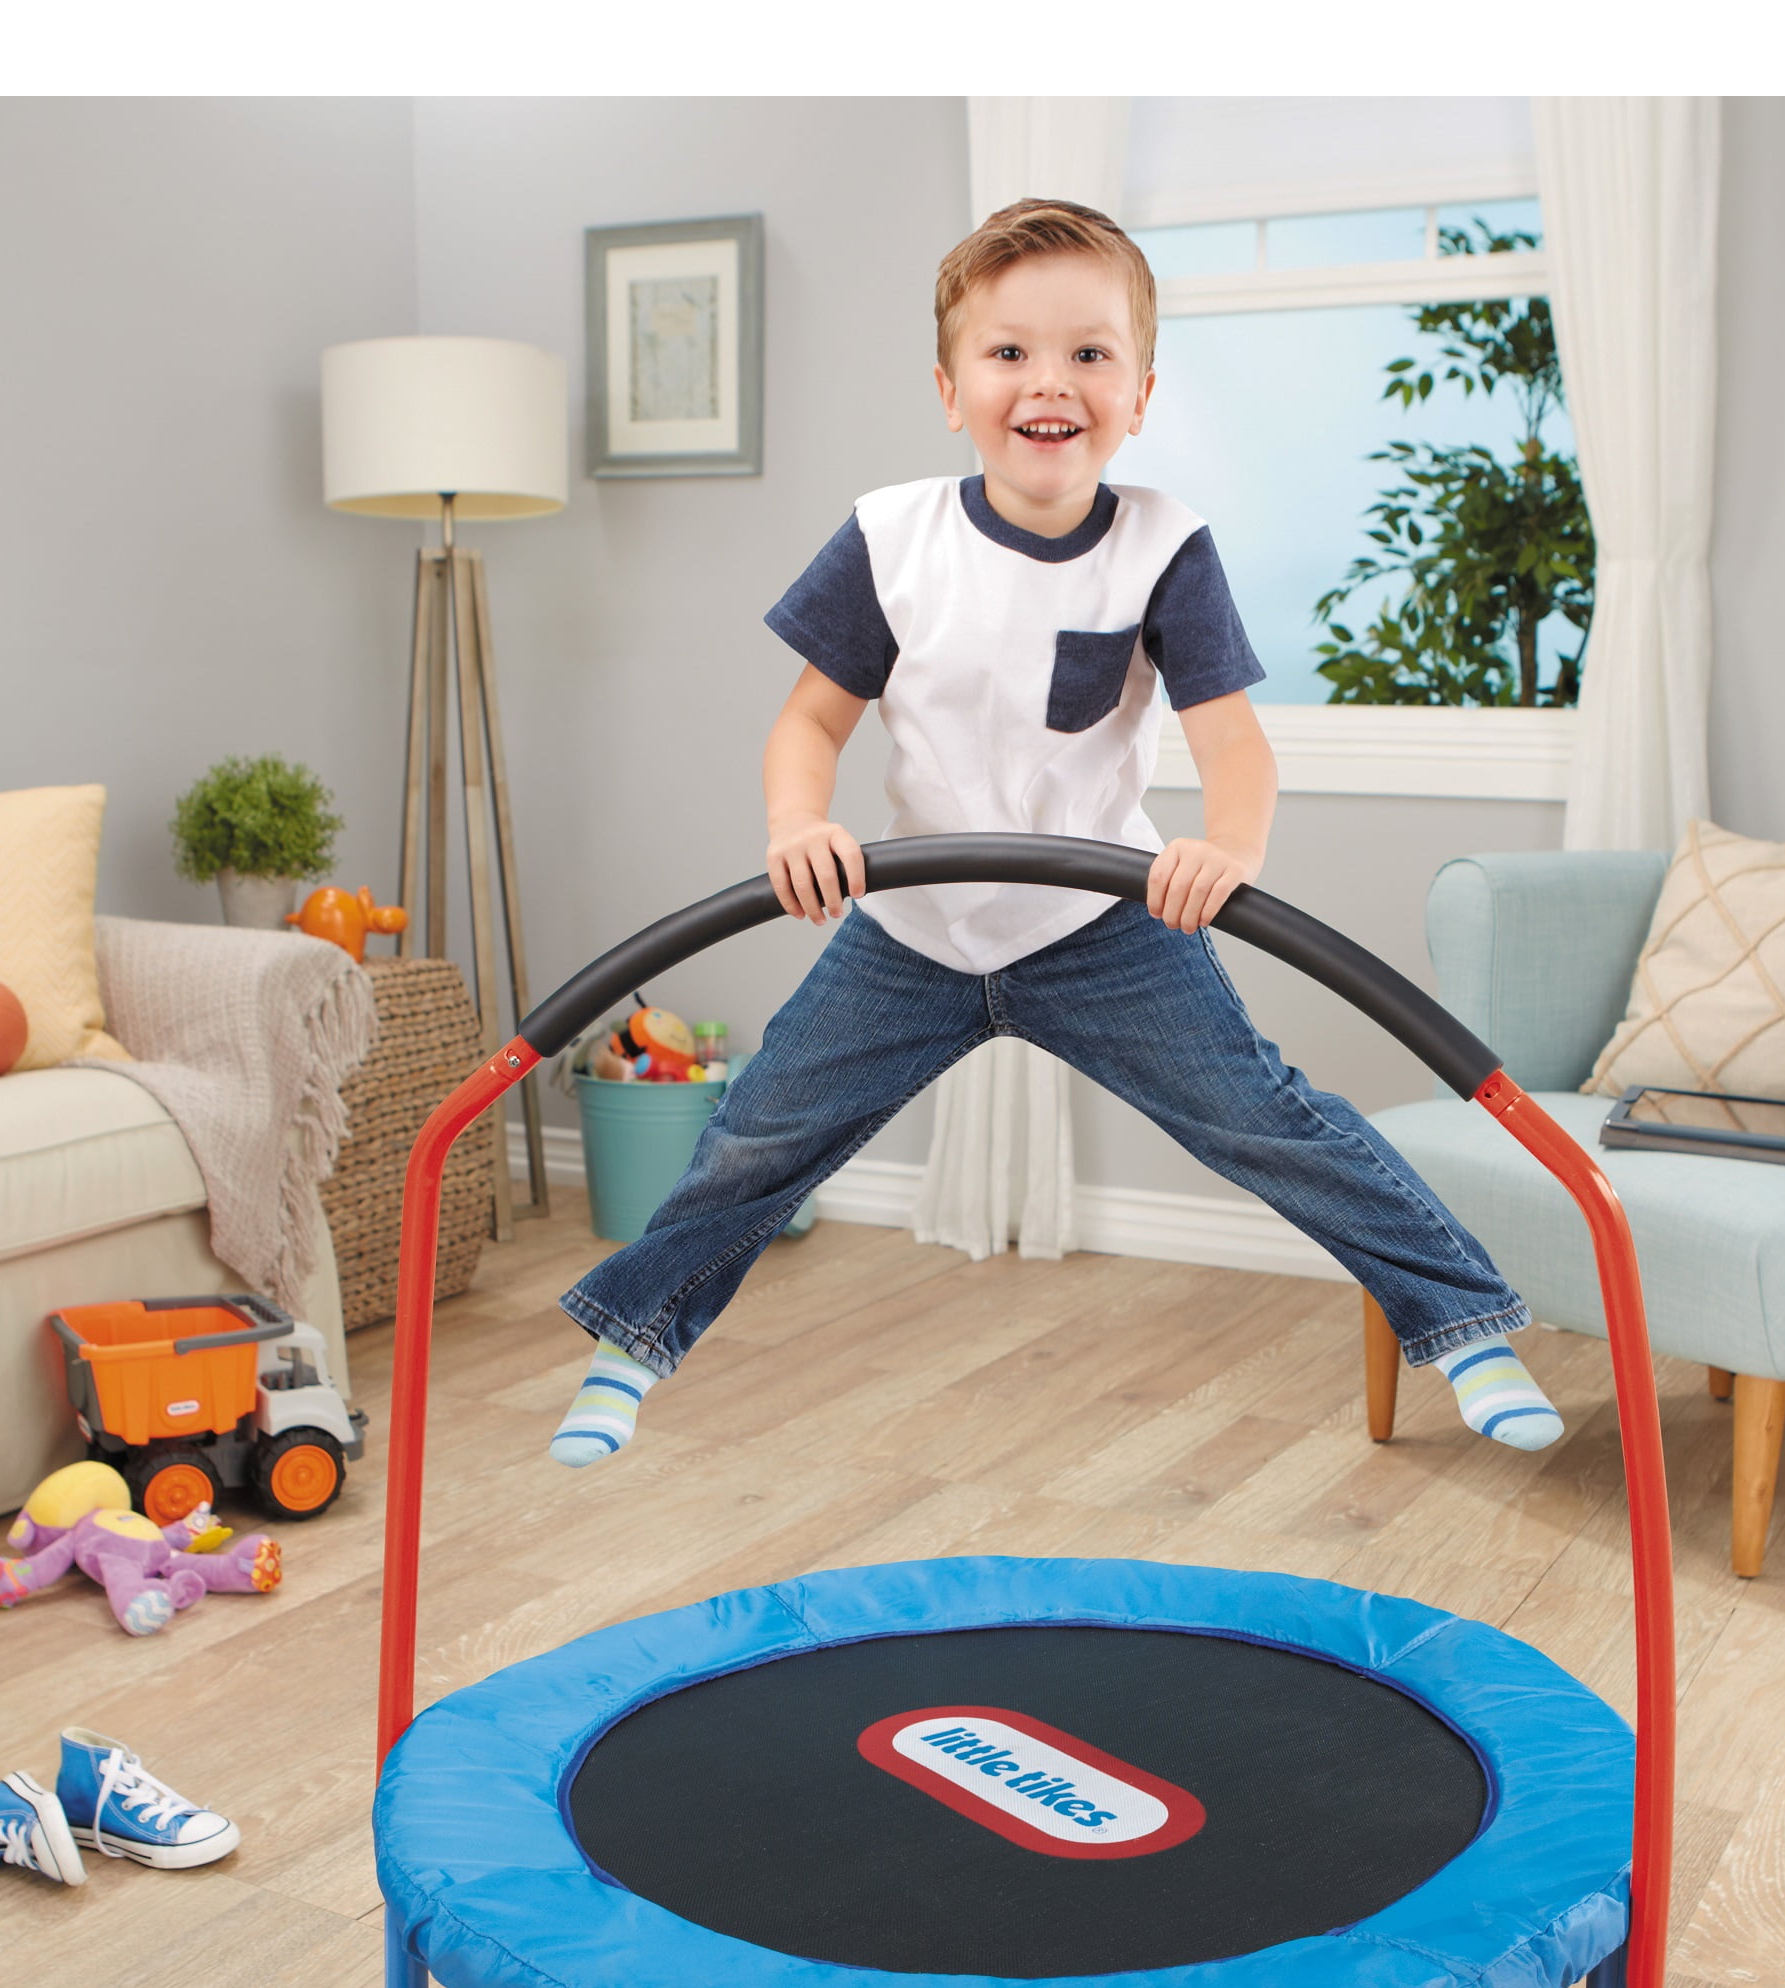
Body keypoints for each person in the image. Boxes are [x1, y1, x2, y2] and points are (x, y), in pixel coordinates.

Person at [550, 197, 1559, 1469]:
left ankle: (1461, 1319)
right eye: (1010, 352)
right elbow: (810, 724)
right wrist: (797, 819)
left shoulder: (1163, 545)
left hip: (1099, 923)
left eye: (1090, 354)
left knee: (1268, 1119)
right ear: (950, 385)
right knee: (760, 1131)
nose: (1051, 382)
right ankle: (630, 1343)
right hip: (917, 926)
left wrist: (1228, 851)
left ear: (1139, 392)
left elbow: (1233, 743)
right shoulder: (888, 539)